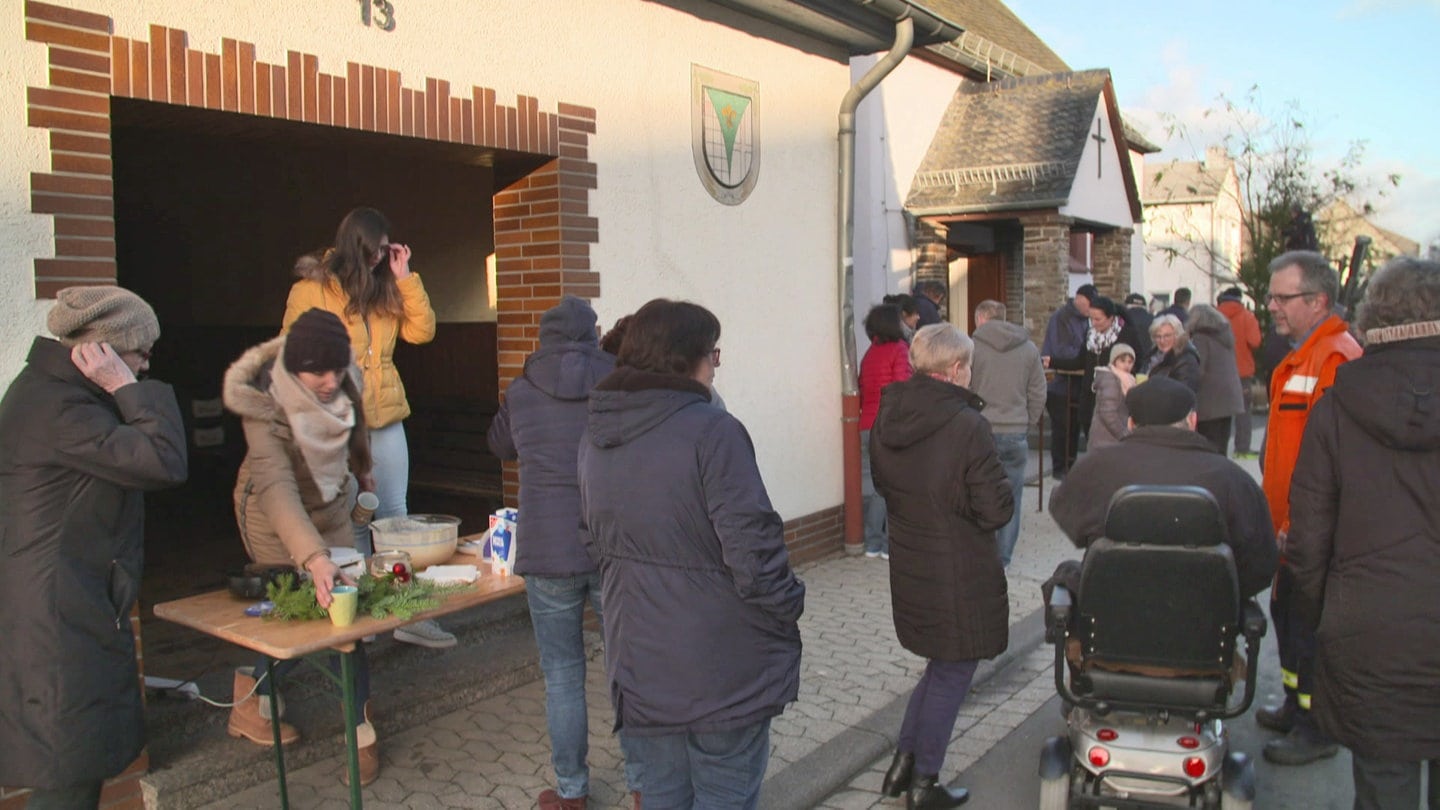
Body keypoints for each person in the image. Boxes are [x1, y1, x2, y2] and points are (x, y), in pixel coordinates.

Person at [578, 299, 805, 810]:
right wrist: (790, 601)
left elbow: (590, 538)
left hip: (639, 658)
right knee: (724, 794)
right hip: (718, 664)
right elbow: (754, 552)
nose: (716, 365)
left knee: (661, 797)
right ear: (690, 360)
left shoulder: (595, 435)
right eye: (714, 354)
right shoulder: (713, 430)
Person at [0, 287, 187, 809]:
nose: (146, 363)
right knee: (66, 774)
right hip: (56, 624)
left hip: (61, 608)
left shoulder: (54, 396)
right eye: (140, 351)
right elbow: (164, 461)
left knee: (73, 768)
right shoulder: (60, 410)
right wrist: (126, 387)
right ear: (104, 350)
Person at [1286, 258, 1440, 809]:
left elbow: (1308, 542)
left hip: (1369, 630)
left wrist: (1316, 614)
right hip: (1377, 624)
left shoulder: (1338, 407)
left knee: (1383, 787)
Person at [485, 296, 641, 810]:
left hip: (547, 551)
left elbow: (499, 446)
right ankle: (644, 784)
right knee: (626, 666)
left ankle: (571, 793)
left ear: (545, 338)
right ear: (592, 334)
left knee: (562, 675)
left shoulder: (523, 389)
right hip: (608, 545)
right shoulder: (616, 381)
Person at [223, 309, 383, 784]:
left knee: (346, 610)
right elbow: (275, 487)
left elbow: (357, 423)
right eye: (319, 373)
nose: (331, 380)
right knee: (292, 606)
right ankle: (253, 696)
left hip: (330, 501)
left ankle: (361, 728)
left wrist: (364, 467)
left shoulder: (342, 373)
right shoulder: (263, 401)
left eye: (338, 369)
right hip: (274, 514)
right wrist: (312, 558)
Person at [283, 207, 451, 649]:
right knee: (351, 519)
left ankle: (405, 613)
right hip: (338, 421)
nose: (380, 258)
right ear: (355, 247)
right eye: (375, 251)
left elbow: (423, 332)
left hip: (386, 415)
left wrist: (405, 276)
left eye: (385, 251)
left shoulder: (386, 288)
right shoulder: (310, 291)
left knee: (395, 514)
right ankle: (357, 611)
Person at [870, 323, 1013, 809]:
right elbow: (996, 510)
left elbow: (886, 488)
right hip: (958, 569)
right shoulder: (967, 425)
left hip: (913, 560)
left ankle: (902, 767)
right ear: (955, 370)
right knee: (952, 672)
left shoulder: (889, 414)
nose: (971, 374)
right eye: (969, 365)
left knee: (940, 667)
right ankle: (924, 783)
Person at [1256, 250, 1362, 766]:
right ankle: (1299, 707)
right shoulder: (1299, 358)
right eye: (1272, 295)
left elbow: (1331, 462)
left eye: (1282, 297)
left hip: (1309, 534)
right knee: (1289, 619)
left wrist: (1299, 526)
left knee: (1310, 628)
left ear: (1318, 300)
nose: (1271, 305)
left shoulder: (1336, 358)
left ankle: (1319, 726)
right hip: (1288, 532)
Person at [1049, 376, 1278, 602]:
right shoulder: (1232, 478)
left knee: (1067, 575)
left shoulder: (1096, 466)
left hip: (1112, 616)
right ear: (1193, 421)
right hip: (1203, 623)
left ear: (1130, 424)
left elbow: (1065, 513)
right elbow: (1261, 563)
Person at [970, 299, 1046, 568]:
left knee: (977, 492)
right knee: (1011, 495)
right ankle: (1002, 557)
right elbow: (1038, 391)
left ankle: (980, 550)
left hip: (980, 430)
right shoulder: (1028, 348)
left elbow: (963, 388)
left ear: (980, 319)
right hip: (1015, 431)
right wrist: (1027, 422)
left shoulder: (972, 348)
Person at [1049, 295, 1146, 451]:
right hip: (1090, 398)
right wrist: (1053, 361)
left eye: (1098, 319)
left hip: (1116, 397)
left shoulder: (1126, 334)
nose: (1093, 323)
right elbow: (1080, 361)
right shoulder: (1091, 335)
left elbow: (1139, 360)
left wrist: (1121, 374)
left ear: (1111, 318)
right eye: (1091, 319)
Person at [859, 303, 914, 560]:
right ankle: (888, 545)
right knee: (892, 487)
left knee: (872, 485)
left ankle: (871, 542)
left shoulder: (870, 354)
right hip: (890, 425)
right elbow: (902, 390)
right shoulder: (900, 350)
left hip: (867, 425)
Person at [1040, 284, 1097, 478]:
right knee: (1063, 429)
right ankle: (1061, 470)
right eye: (1089, 305)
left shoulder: (1087, 320)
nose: (1091, 310)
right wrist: (1087, 358)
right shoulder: (1062, 318)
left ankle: (1071, 470)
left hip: (1078, 384)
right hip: (1060, 384)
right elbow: (1061, 351)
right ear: (1079, 299)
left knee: (1074, 429)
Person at [1185, 304, 1245, 455]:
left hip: (1210, 400)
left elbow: (1198, 369)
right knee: (1221, 444)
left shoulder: (1200, 338)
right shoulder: (1225, 336)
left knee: (1209, 445)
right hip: (1229, 398)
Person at [1216, 287, 1263, 458]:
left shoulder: (1215, 316)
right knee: (1243, 412)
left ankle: (1218, 448)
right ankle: (1242, 448)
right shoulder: (1247, 316)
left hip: (1219, 371)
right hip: (1242, 371)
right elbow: (1255, 341)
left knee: (1219, 411)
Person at [1086, 342, 1137, 451]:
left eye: (1130, 361)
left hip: (1112, 440)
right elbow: (1108, 413)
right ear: (1114, 361)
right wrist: (1123, 434)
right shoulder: (1110, 379)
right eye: (1122, 361)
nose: (1127, 365)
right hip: (1105, 439)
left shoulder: (1128, 380)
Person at [1142, 314, 1200, 392]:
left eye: (1167, 336)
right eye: (1158, 336)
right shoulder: (1152, 355)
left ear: (1177, 335)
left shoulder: (1186, 359)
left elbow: (1184, 393)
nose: (1162, 341)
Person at [1122, 292, 1154, 360]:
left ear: (1126, 305)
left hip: (1125, 359)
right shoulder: (1153, 319)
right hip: (1147, 360)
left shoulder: (1121, 318)